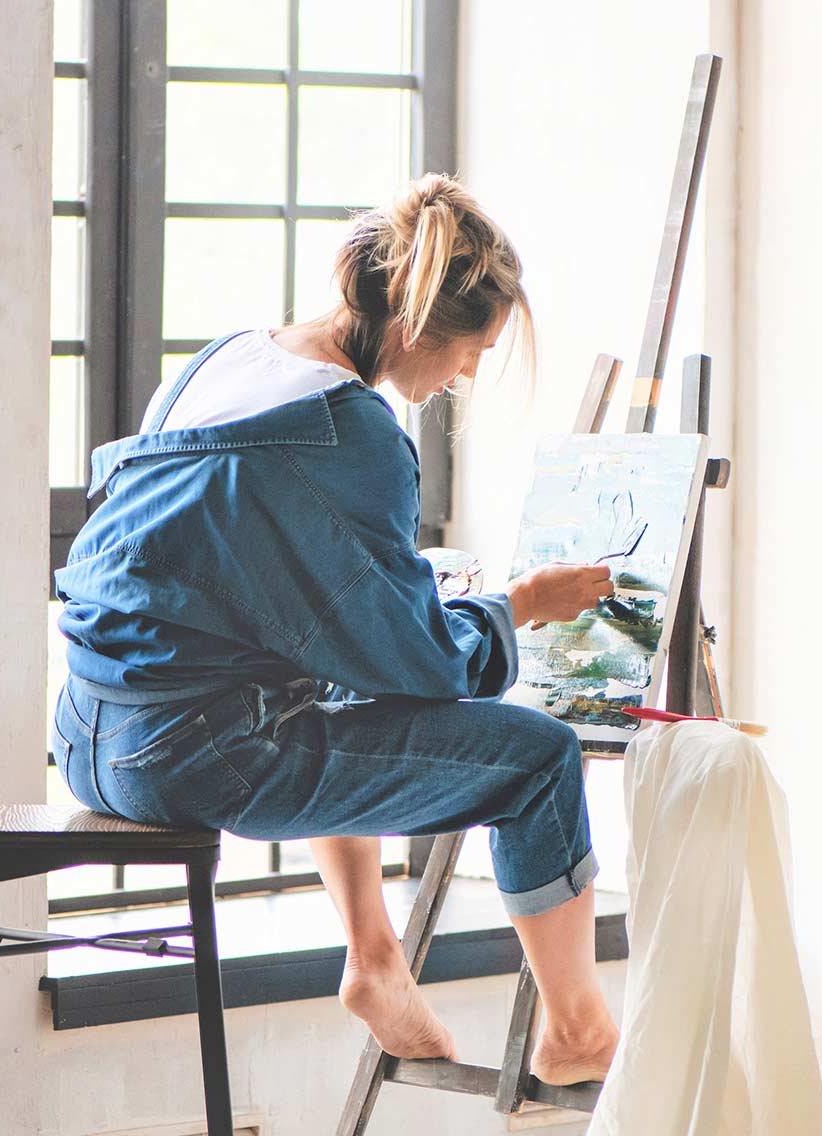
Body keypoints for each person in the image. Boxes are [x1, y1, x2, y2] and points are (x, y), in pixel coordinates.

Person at [53, 173, 620, 1085]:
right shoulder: (350, 429)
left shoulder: (228, 359)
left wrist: (414, 596)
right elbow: (429, 666)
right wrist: (517, 604)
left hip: (86, 731)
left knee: (329, 667)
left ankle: (375, 954)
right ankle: (579, 1028)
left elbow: (240, 578)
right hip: (189, 758)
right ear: (417, 327)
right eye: (473, 350)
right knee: (540, 759)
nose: (468, 373)